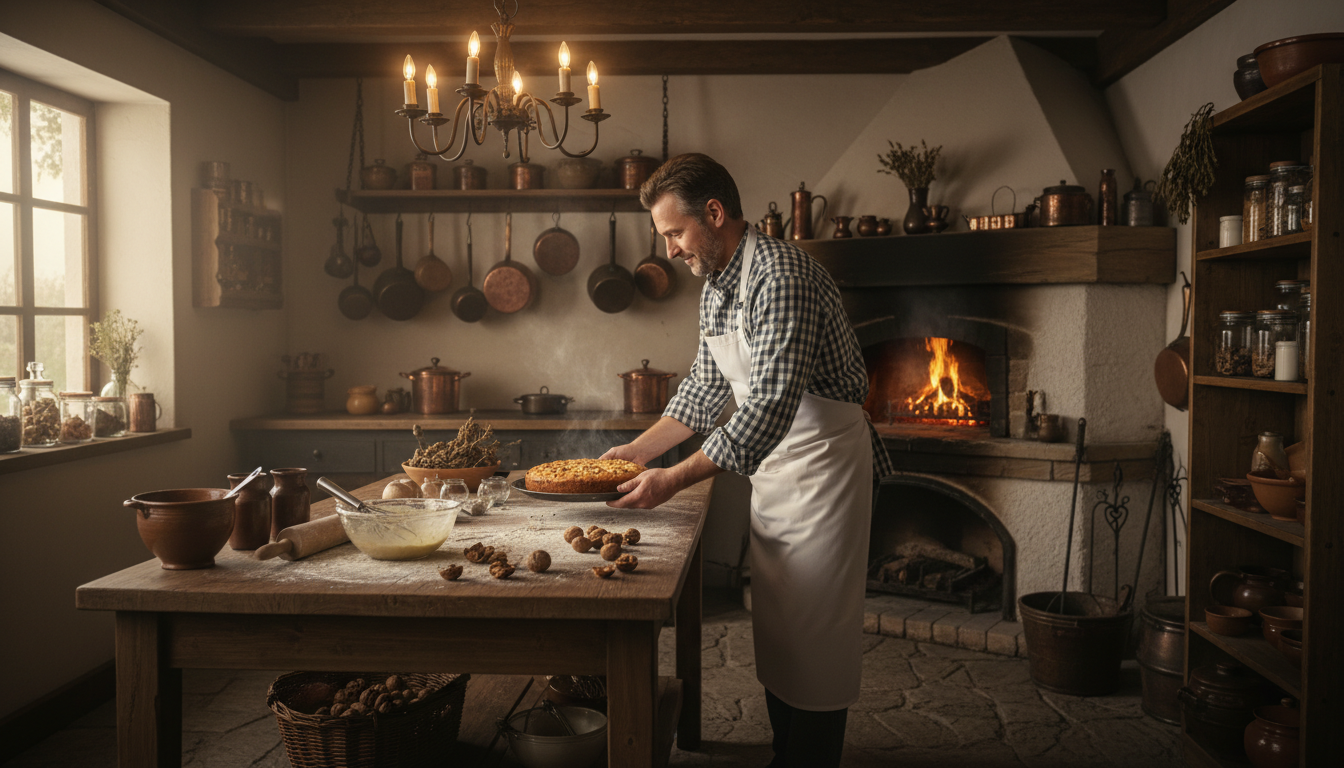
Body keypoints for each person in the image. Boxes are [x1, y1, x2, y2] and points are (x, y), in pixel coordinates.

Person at [603, 153, 893, 768]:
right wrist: (634, 452)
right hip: (777, 469)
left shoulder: (783, 276)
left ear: (713, 214)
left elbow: (765, 408)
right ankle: (787, 753)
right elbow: (705, 391)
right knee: (782, 630)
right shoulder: (717, 286)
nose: (673, 249)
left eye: (676, 233)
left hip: (822, 466)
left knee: (817, 636)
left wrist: (670, 480)